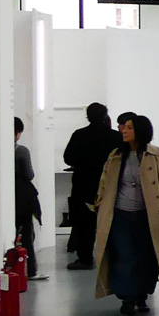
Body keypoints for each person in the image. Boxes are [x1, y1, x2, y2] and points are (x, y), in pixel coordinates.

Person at [92, 114, 159, 316]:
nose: (123, 130)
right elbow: (104, 184)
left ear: (140, 131)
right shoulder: (115, 156)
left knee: (147, 256)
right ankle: (127, 297)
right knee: (125, 256)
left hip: (148, 216)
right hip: (120, 215)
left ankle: (142, 295)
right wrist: (100, 203)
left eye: (129, 128)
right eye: (124, 127)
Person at [63, 103, 121, 270]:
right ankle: (114, 258)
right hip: (110, 185)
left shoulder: (79, 135)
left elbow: (69, 159)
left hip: (84, 185)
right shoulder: (115, 137)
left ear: (87, 116)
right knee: (112, 222)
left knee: (84, 224)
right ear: (105, 116)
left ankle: (85, 258)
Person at [14, 118, 44, 280]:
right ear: (17, 133)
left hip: (10, 198)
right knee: (25, 233)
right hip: (22, 197)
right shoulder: (21, 151)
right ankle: (29, 270)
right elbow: (29, 174)